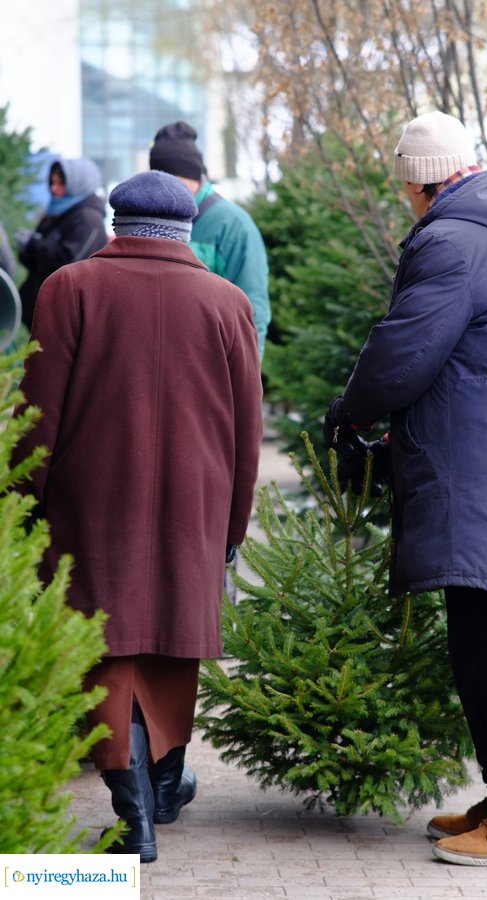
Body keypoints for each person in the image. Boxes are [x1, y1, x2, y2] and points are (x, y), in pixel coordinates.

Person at [323, 110, 487, 867]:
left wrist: (346, 414)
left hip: (484, 474)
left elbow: (401, 353)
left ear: (415, 180)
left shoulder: (452, 241)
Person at [12, 170, 264, 862]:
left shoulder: (69, 289)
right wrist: (233, 526)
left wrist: (21, 498)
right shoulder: (228, 303)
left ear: (119, 225)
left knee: (105, 650)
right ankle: (156, 792)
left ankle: (135, 815)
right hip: (195, 505)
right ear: (186, 232)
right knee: (169, 647)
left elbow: (36, 417)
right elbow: (248, 432)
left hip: (91, 502)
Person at [149, 120, 271, 360]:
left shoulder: (233, 225)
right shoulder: (150, 217)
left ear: (194, 175)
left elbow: (253, 310)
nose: (167, 191)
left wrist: (244, 379)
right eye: (160, 181)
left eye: (175, 181)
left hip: (209, 366)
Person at [16, 156, 108, 330]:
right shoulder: (56, 213)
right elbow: (36, 264)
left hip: (60, 318)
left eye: (60, 184)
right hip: (37, 310)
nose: (54, 189)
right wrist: (26, 248)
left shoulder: (88, 219)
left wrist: (34, 245)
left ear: (77, 185)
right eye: (52, 182)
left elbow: (70, 262)